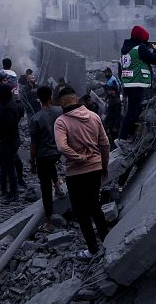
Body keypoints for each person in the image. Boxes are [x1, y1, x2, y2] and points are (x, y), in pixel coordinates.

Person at [53, 87, 110, 260]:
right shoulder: (94, 116)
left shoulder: (61, 122)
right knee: (95, 207)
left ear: (62, 102)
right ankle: (108, 243)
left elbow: (61, 147)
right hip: (95, 169)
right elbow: (105, 144)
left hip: (76, 173)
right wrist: (104, 165)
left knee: (81, 212)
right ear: (76, 98)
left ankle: (93, 250)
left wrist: (77, 157)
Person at [29, 86, 66, 226]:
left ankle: (49, 216)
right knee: (51, 166)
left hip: (43, 155)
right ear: (51, 96)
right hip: (57, 151)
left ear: (39, 99)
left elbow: (34, 144)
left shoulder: (35, 118)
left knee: (45, 186)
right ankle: (57, 187)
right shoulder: (59, 111)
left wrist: (32, 161)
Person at [118, 25, 156, 143]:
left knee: (134, 111)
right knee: (132, 112)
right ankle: (123, 138)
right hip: (138, 83)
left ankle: (130, 135)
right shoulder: (140, 49)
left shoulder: (127, 49)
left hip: (129, 84)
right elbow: (154, 60)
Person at [0, 84, 23, 202]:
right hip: (9, 140)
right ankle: (5, 190)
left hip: (8, 142)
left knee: (9, 167)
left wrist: (1, 136)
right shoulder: (8, 104)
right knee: (6, 166)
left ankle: (13, 193)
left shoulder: (7, 108)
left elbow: (9, 125)